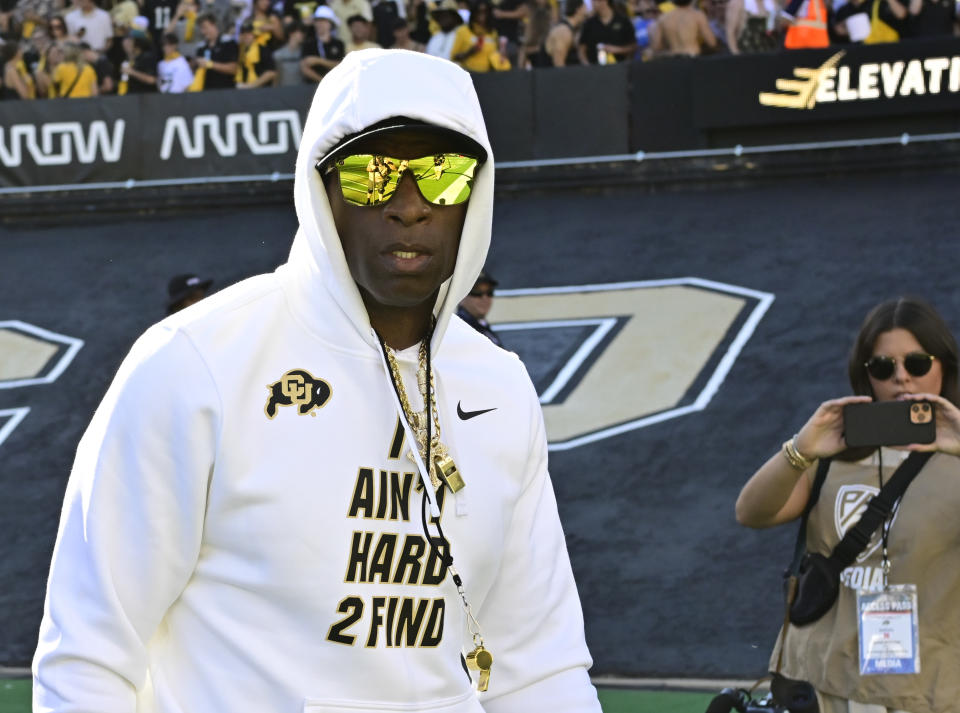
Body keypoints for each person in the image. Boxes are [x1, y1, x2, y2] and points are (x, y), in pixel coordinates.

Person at [33, 48, 602, 713]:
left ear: (475, 191)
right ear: (320, 187)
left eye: (441, 175)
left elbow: (540, 666)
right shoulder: (197, 362)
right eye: (371, 175)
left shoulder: (500, 386)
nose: (409, 206)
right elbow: (89, 657)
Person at [736, 297, 960, 713]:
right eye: (882, 367)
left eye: (916, 363)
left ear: (943, 365)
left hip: (927, 693)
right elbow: (751, 512)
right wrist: (799, 450)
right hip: (823, 684)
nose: (901, 379)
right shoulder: (830, 455)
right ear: (865, 375)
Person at [650, 0, 717, 56]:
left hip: (673, 60)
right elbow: (712, 43)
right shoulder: (697, 15)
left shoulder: (663, 18)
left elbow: (656, 48)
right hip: (693, 57)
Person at [457, 269, 503, 347]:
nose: (485, 298)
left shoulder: (482, 326)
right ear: (461, 296)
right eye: (477, 292)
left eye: (489, 292)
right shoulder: (459, 330)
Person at [191, 11, 237, 89]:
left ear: (214, 25)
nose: (203, 32)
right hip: (206, 93)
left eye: (205, 27)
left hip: (226, 90)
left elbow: (233, 69)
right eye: (201, 28)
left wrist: (210, 64)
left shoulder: (228, 42)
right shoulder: (201, 48)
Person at [299, 4, 345, 81]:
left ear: (331, 24)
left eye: (323, 21)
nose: (319, 24)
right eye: (317, 21)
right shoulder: (308, 44)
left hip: (336, 84)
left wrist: (318, 60)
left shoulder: (338, 44)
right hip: (312, 87)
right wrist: (322, 82)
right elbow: (304, 67)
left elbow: (341, 66)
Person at [235, 18, 277, 86]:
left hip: (260, 90)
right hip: (242, 88)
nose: (246, 36)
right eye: (243, 33)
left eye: (249, 33)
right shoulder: (239, 49)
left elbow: (271, 72)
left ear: (253, 34)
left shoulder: (262, 48)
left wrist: (251, 86)